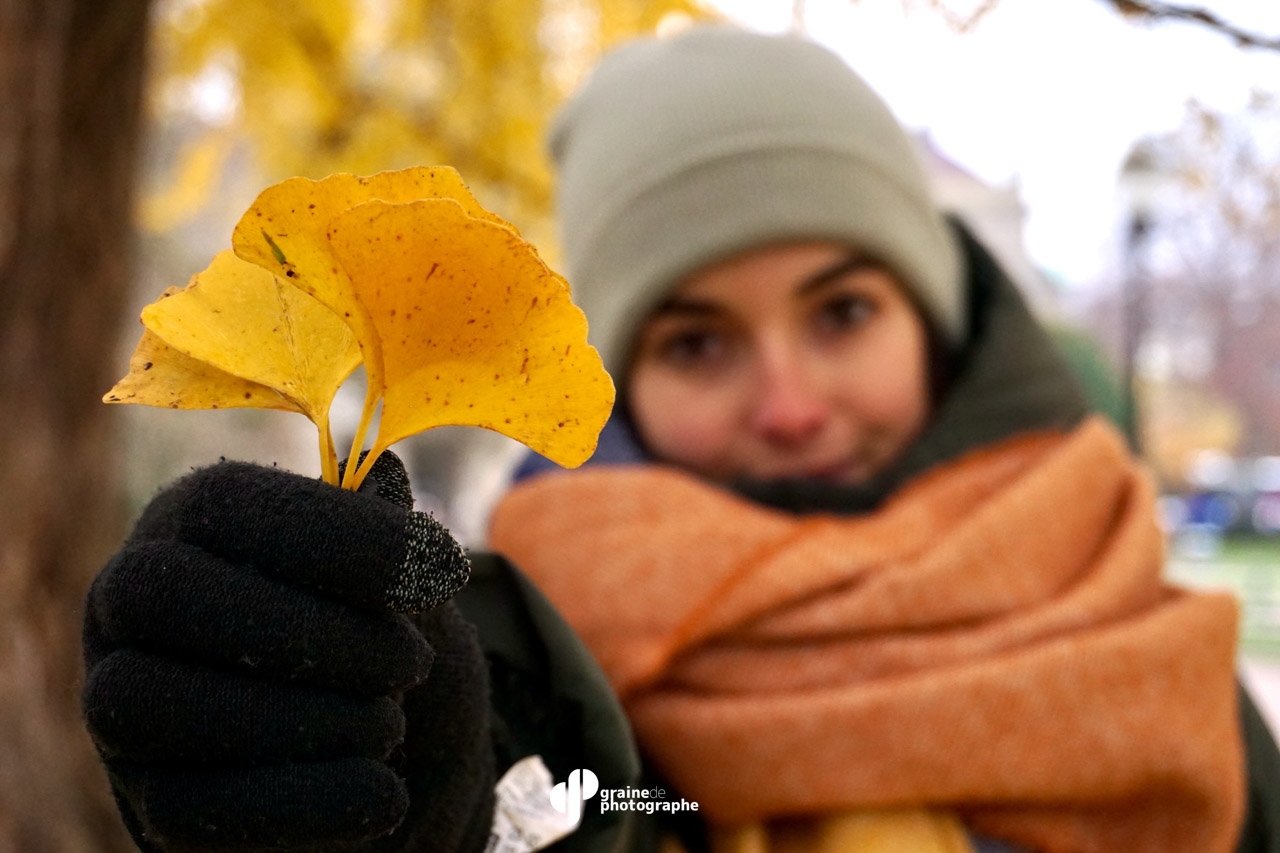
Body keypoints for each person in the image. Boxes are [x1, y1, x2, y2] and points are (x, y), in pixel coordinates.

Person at [81, 24, 1280, 853]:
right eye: (698, 342)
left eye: (842, 312)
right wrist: (411, 787)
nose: (789, 402)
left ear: (934, 321)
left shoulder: (1156, 648)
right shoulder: (533, 662)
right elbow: (539, 782)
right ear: (619, 383)